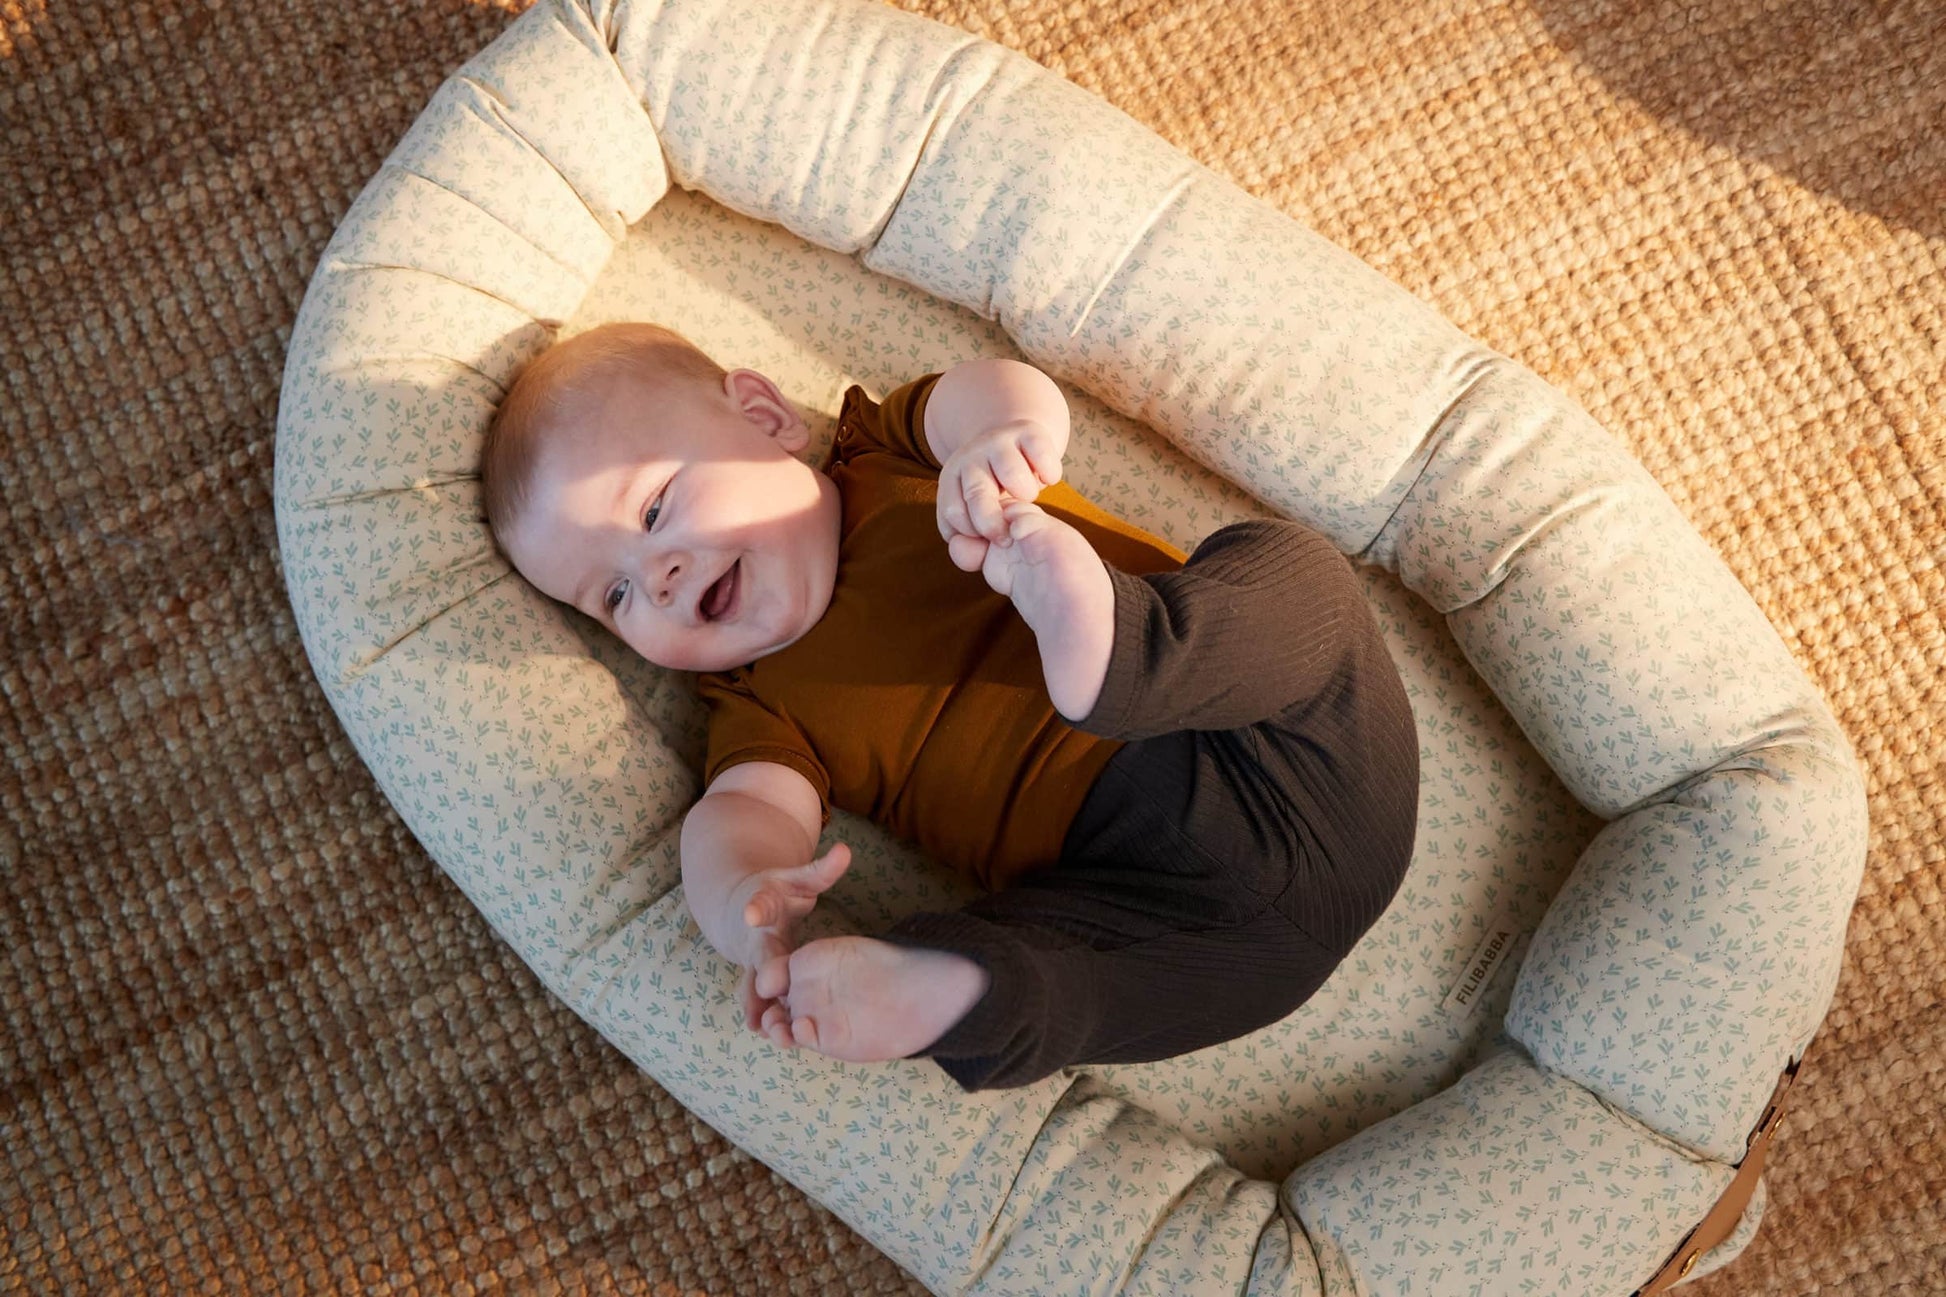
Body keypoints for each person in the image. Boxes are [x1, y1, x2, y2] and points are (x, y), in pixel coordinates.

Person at [482, 321, 1419, 1091]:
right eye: (613, 596)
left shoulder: (883, 452)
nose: (657, 578)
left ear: (765, 417)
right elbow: (739, 814)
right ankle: (949, 988)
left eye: (653, 512)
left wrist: (1000, 436)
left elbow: (995, 390)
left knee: (1309, 587)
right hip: (1170, 908)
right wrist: (742, 897)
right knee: (1068, 986)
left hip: (1274, 726)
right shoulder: (753, 701)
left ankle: (1123, 650)